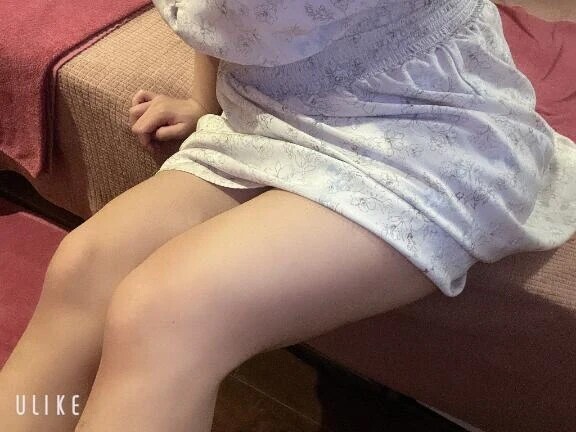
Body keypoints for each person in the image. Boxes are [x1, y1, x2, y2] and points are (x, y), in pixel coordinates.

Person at [1, 0, 575, 431]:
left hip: (428, 131)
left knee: (165, 313)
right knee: (86, 266)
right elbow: (218, 19)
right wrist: (205, 101)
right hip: (274, 115)